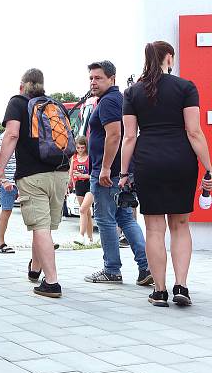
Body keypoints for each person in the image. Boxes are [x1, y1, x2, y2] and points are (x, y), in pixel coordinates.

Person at [121, 41, 212, 306]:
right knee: (181, 225)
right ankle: (181, 287)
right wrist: (208, 166)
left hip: (148, 161)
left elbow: (129, 137)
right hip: (180, 160)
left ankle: (159, 291)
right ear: (169, 58)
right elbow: (194, 132)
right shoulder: (185, 87)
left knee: (153, 228)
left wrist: (124, 173)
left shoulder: (132, 92)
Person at [0, 69, 70, 298]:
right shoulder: (54, 105)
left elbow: (12, 135)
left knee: (40, 228)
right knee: (44, 227)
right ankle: (36, 269)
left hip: (32, 175)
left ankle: (52, 282)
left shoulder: (17, 102)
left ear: (22, 86)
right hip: (60, 173)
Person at [83, 61, 152, 286]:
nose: (93, 82)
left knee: (105, 220)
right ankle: (146, 267)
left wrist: (104, 167)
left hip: (108, 173)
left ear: (112, 78)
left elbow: (114, 135)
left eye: (98, 78)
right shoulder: (118, 99)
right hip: (120, 172)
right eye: (91, 78)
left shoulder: (110, 101)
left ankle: (112, 269)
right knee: (124, 218)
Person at [0, 131, 17, 254]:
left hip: (24, 179)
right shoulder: (4, 136)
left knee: (34, 210)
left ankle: (43, 241)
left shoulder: (25, 133)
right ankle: (0, 243)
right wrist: (3, 180)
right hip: (8, 180)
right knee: (6, 210)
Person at [70, 135, 94, 245]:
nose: (80, 150)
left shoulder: (90, 157)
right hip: (78, 185)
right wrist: (69, 183)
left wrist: (83, 175)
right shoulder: (74, 158)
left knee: (83, 210)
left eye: (82, 148)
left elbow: (93, 175)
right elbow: (70, 173)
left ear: (86, 147)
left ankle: (81, 235)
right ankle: (90, 238)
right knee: (86, 212)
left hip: (89, 185)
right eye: (78, 148)